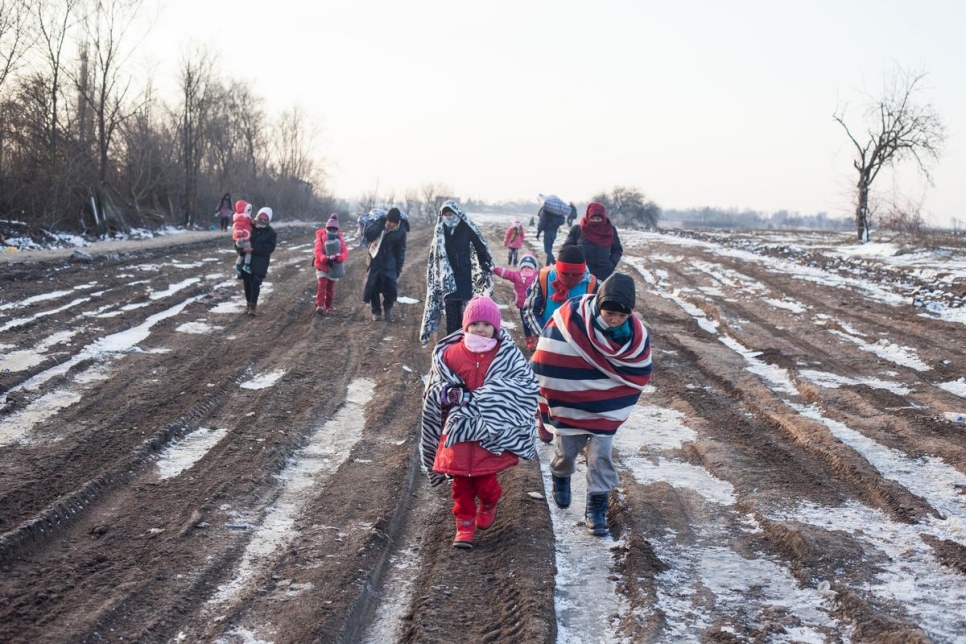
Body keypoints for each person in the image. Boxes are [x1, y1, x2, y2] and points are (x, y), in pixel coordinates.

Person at [530, 272, 652, 537]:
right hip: (570, 404)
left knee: (601, 457)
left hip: (605, 410)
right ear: (599, 305)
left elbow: (638, 368)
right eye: (610, 314)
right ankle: (560, 476)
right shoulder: (571, 319)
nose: (615, 320)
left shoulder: (634, 335)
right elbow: (549, 354)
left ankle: (595, 510)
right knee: (567, 452)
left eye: (622, 316)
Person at [419, 295, 538, 549]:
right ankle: (464, 525)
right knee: (461, 485)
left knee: (485, 483)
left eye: (486, 324)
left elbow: (523, 386)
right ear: (465, 326)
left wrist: (486, 398)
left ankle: (489, 502)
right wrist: (448, 394)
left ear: (496, 327)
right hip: (459, 432)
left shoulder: (505, 355)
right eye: (474, 324)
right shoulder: (451, 353)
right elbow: (435, 383)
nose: (480, 329)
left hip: (487, 434)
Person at [522, 245, 599, 442]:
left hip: (580, 346)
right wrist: (545, 335)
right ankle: (543, 419)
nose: (571, 279)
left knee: (576, 386)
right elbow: (530, 309)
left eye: (576, 275)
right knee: (545, 384)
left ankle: (574, 424)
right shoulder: (544, 278)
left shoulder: (593, 285)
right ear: (558, 268)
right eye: (565, 274)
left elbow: (599, 316)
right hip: (548, 342)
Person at [419, 200, 494, 346]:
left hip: (465, 275)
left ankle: (467, 338)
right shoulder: (440, 232)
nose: (448, 217)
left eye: (451, 214)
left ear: (457, 214)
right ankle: (453, 342)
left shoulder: (466, 228)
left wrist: (484, 261)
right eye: (445, 214)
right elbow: (434, 255)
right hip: (447, 278)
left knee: (466, 309)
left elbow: (480, 245)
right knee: (451, 310)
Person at [363, 207, 408, 322]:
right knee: (373, 287)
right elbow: (368, 235)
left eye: (394, 222)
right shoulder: (379, 224)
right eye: (390, 221)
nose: (391, 224)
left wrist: (398, 268)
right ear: (387, 219)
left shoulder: (400, 231)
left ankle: (388, 309)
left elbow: (401, 251)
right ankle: (376, 311)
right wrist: (380, 227)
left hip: (389, 264)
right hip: (375, 261)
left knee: (390, 289)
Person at [563, 201, 624, 281]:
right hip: (581, 275)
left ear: (603, 218)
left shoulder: (610, 230)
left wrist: (611, 264)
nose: (595, 221)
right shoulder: (578, 230)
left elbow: (617, 250)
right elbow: (566, 249)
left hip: (604, 275)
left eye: (598, 219)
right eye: (592, 218)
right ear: (588, 217)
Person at [492, 253, 539, 351]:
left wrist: (493, 268)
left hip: (522, 305)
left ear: (521, 265)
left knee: (525, 323)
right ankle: (539, 336)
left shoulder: (517, 274)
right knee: (536, 320)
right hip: (534, 304)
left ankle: (530, 343)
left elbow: (505, 273)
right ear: (534, 266)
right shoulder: (537, 275)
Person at [241, 207, 277, 316]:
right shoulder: (249, 227)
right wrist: (242, 250)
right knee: (247, 282)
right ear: (258, 215)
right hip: (246, 259)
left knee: (255, 283)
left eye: (266, 218)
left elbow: (269, 248)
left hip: (260, 262)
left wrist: (253, 248)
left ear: (269, 219)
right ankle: (248, 303)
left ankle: (253, 306)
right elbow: (239, 240)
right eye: (262, 216)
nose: (263, 219)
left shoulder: (271, 232)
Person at [314, 213, 349, 315]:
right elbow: (317, 252)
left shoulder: (339, 238)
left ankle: (328, 306)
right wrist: (325, 259)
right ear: (326, 228)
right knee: (322, 285)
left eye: (334, 229)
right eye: (330, 229)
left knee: (330, 288)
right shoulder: (321, 237)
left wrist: (339, 258)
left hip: (334, 268)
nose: (332, 231)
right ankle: (320, 305)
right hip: (322, 265)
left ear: (337, 229)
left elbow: (345, 251)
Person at [535, 201, 566, 266]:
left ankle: (554, 263)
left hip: (548, 233)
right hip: (554, 233)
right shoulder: (557, 212)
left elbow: (542, 223)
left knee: (547, 250)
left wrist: (538, 233)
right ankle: (547, 265)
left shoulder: (546, 212)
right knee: (550, 249)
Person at [232, 200, 254, 275]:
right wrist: (239, 237)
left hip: (243, 239)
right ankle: (246, 265)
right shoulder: (241, 218)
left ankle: (238, 264)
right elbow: (238, 228)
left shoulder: (244, 218)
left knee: (243, 253)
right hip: (243, 239)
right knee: (249, 251)